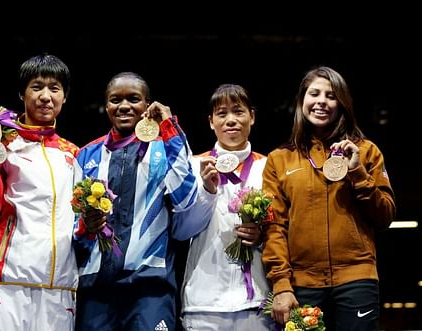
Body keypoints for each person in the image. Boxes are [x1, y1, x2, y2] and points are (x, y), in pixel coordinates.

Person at [261, 66, 396, 330]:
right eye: (314, 94)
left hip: (356, 280)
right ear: (302, 102)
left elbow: (385, 217)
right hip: (303, 285)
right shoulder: (279, 158)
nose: (321, 101)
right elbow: (274, 227)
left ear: (342, 104)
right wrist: (281, 285)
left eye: (331, 95)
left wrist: (356, 171)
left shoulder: (367, 152)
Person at [73, 71, 198, 331]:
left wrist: (169, 128)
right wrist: (86, 226)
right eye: (115, 100)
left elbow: (186, 199)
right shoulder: (86, 156)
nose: (124, 106)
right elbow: (71, 226)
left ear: (147, 105)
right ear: (106, 105)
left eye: (134, 98)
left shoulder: (165, 148)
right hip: (96, 288)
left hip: (149, 287)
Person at [0, 54, 79, 330]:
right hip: (7, 280)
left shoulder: (74, 154)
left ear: (65, 97)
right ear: (21, 93)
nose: (45, 96)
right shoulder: (1, 144)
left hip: (60, 285)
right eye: (36, 87)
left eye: (54, 88)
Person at [173, 83, 274, 330]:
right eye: (222, 113)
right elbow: (180, 230)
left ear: (252, 116)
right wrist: (207, 190)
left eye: (238, 111)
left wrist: (262, 236)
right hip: (204, 301)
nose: (231, 120)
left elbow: (285, 230)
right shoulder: (193, 166)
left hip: (258, 300)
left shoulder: (270, 167)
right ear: (211, 122)